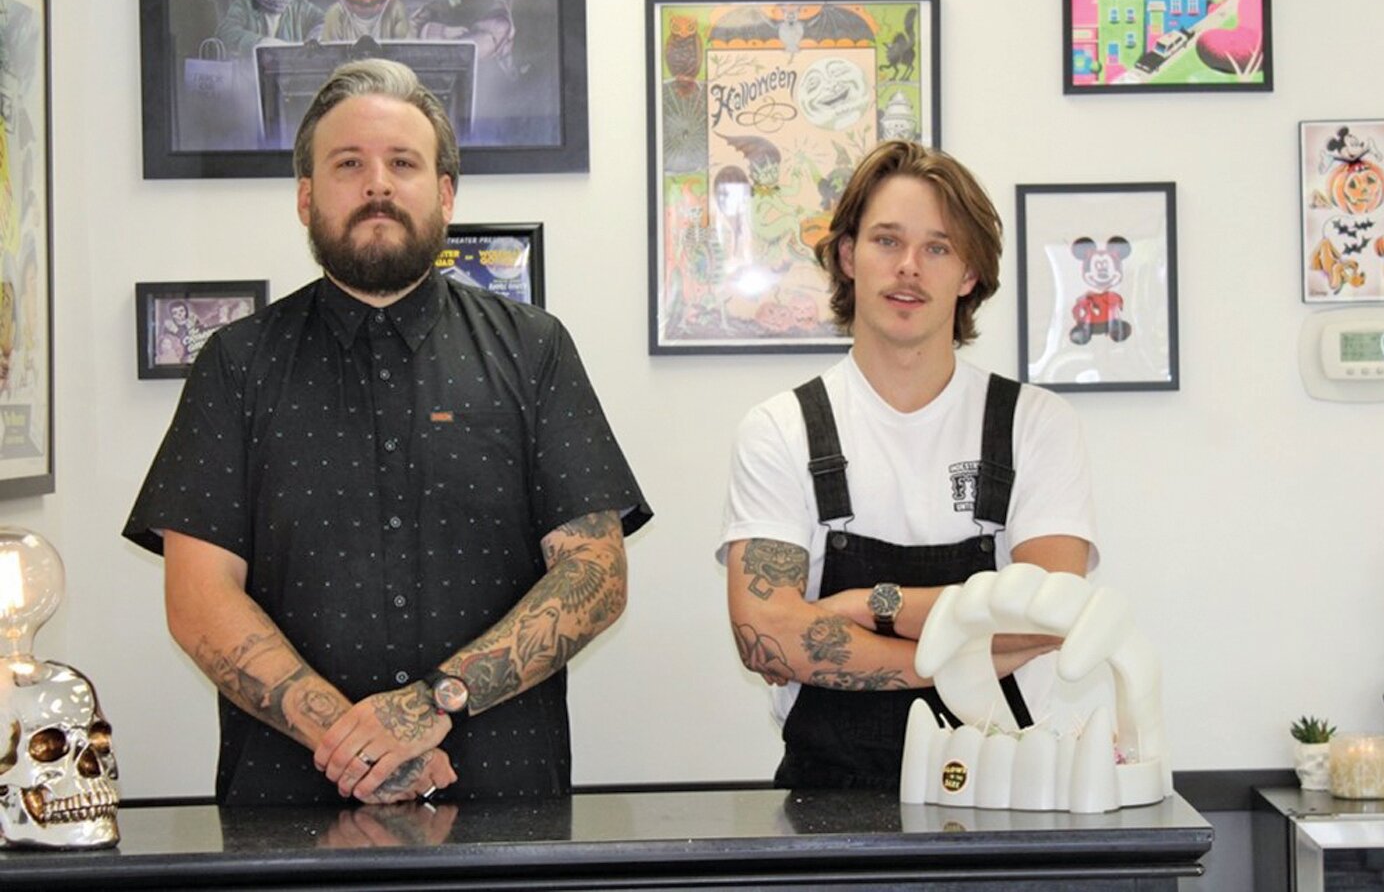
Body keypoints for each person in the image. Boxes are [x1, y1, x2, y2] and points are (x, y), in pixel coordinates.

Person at [123, 58, 651, 806]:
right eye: (349, 164)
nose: (377, 184)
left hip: (503, 808)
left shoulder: (535, 349)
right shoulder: (235, 364)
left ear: (443, 194)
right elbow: (198, 598)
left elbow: (594, 577)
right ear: (306, 199)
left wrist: (432, 703)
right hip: (288, 810)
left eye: (402, 163)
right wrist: (357, 742)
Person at [718, 139, 1098, 789]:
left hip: (1005, 792)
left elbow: (1049, 614)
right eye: (887, 241)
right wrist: (961, 655)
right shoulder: (779, 431)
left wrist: (867, 604)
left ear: (970, 273)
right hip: (826, 802)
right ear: (847, 256)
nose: (910, 269)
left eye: (938, 247)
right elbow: (767, 637)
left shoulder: (1035, 425)